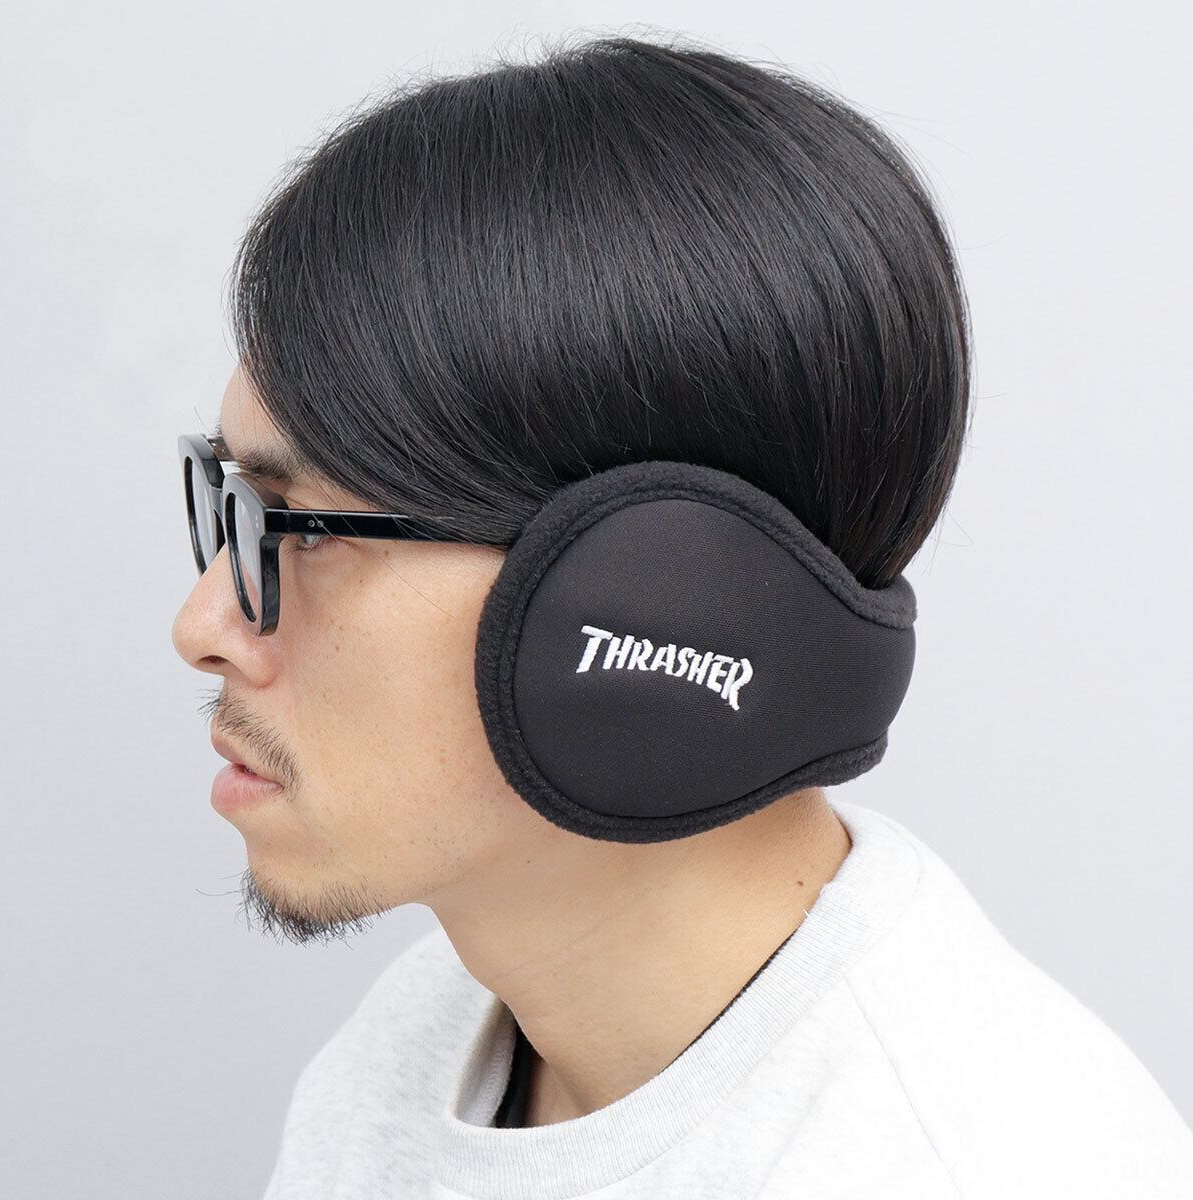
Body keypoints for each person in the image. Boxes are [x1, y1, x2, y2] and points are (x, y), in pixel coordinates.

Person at [170, 32, 1193, 1199]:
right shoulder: (414, 1052)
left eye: (303, 529)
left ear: (652, 599)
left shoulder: (962, 1167)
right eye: (229, 506)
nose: (202, 625)